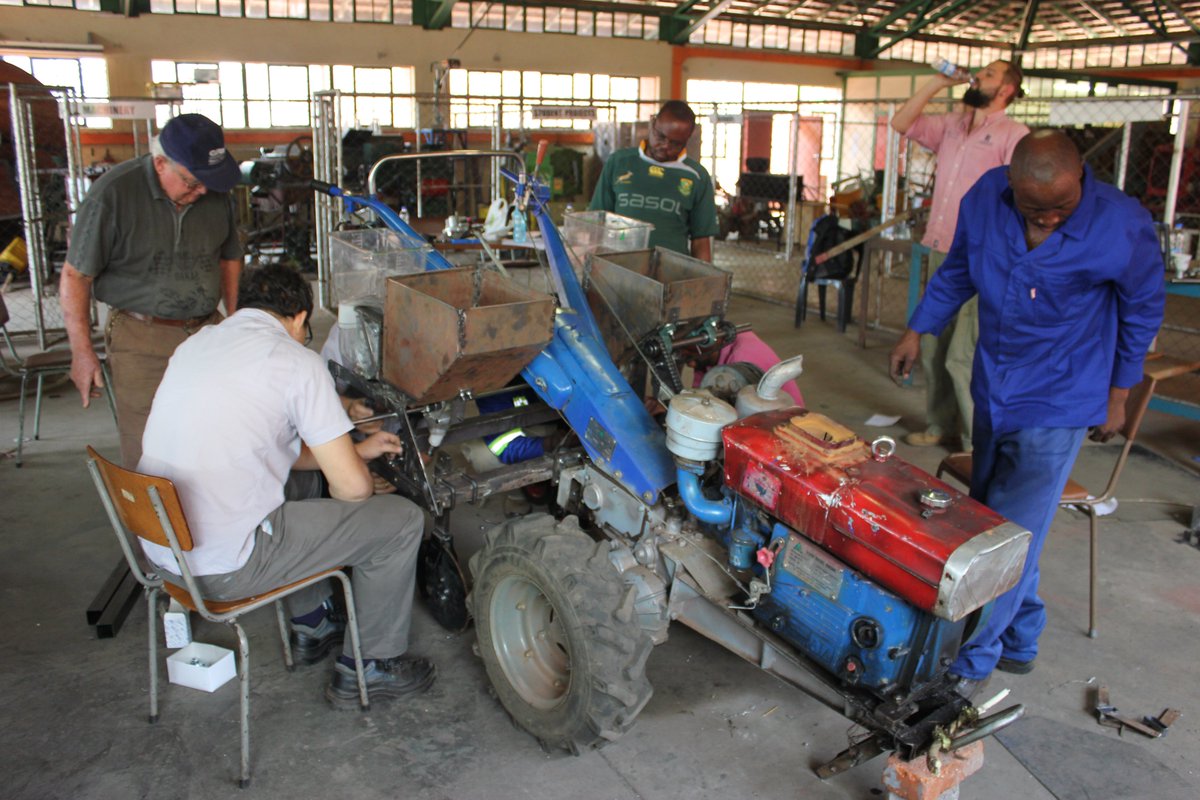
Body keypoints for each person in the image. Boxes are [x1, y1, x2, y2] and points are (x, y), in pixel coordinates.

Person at [888, 130, 1165, 695]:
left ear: (1081, 184)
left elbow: (1141, 312)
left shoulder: (1121, 223)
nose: (1048, 221)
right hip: (996, 385)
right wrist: (919, 329)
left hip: (1063, 395)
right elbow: (960, 270)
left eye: (1061, 208)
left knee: (1005, 536)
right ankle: (1022, 636)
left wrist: (1118, 394)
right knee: (1004, 524)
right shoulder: (986, 198)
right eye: (1035, 210)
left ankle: (970, 662)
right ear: (1012, 188)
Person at [138, 264, 435, 708]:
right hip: (223, 567)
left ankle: (313, 623)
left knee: (303, 480)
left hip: (163, 549)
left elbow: (259, 449)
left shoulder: (196, 344)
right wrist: (357, 472)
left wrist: (358, 451)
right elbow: (353, 492)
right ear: (298, 317)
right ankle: (371, 667)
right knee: (400, 523)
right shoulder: (294, 361)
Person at [61, 113, 243, 467]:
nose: (203, 190)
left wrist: (234, 320)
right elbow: (75, 276)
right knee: (148, 444)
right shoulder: (112, 196)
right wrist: (82, 352)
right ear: (161, 164)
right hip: (141, 337)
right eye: (192, 182)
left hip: (207, 331)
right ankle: (150, 523)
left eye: (209, 182)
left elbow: (230, 259)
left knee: (218, 429)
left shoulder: (213, 193)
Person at [892, 60, 1030, 450]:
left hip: (980, 256)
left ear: (1005, 90)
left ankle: (974, 442)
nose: (977, 78)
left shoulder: (1013, 135)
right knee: (933, 346)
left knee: (961, 354)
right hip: (941, 248)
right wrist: (937, 83)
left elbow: (1018, 197)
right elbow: (901, 123)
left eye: (988, 75)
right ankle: (940, 426)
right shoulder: (952, 126)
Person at [589, 100, 719, 261]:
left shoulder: (697, 176)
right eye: (661, 136)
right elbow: (596, 222)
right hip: (619, 267)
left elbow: (701, 241)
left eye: (675, 143)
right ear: (652, 124)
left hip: (671, 272)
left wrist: (702, 283)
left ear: (687, 139)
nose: (665, 146)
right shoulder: (619, 163)